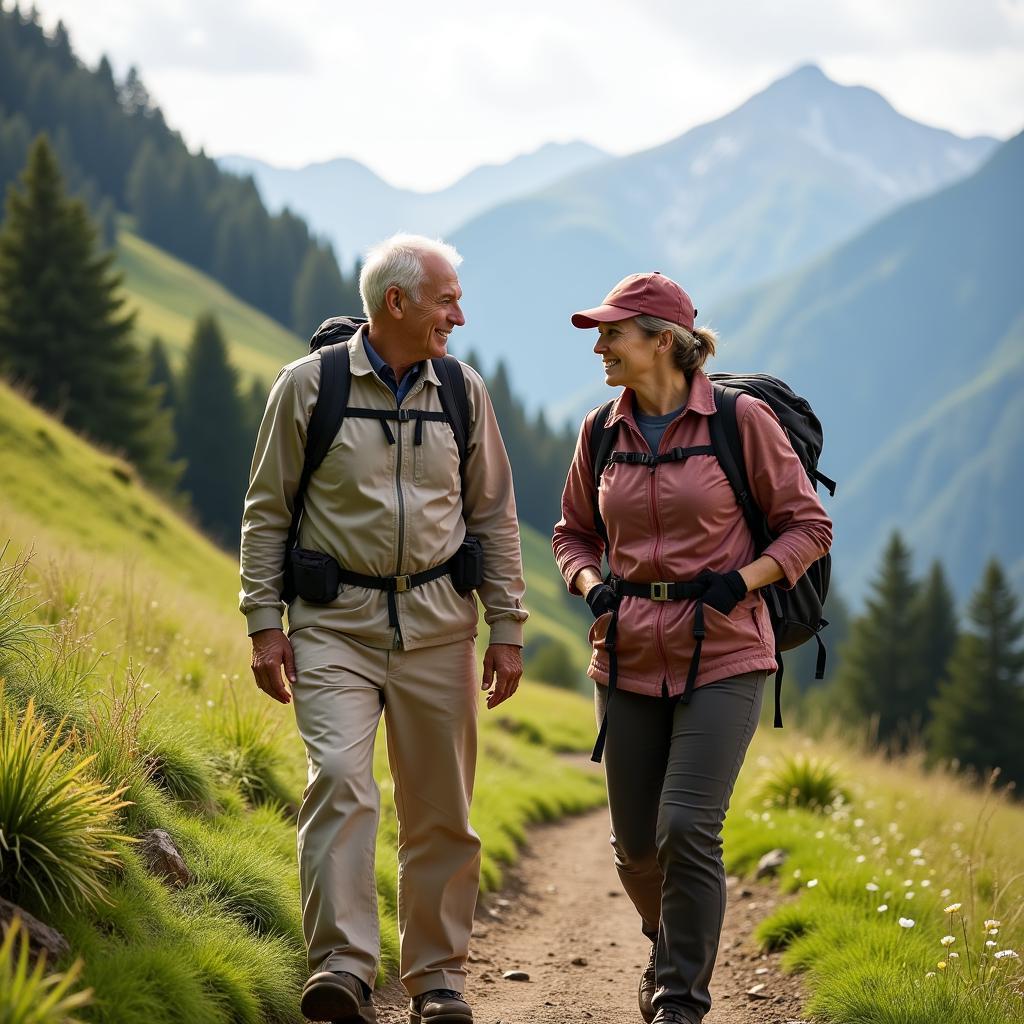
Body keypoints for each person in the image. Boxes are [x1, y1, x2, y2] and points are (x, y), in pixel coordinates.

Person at [240, 234, 527, 1024]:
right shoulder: (307, 388)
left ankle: (437, 978)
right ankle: (342, 966)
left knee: (441, 807)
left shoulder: (462, 393)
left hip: (440, 629)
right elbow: (266, 513)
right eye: (446, 300)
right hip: (334, 628)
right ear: (394, 303)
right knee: (338, 779)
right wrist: (266, 624)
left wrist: (507, 626)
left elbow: (494, 516)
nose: (458, 316)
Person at [551, 272, 832, 1024]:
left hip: (727, 648)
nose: (601, 346)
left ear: (664, 342)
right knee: (636, 849)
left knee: (687, 827)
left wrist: (743, 580)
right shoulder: (600, 431)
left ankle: (680, 997)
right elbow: (572, 532)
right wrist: (589, 584)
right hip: (628, 653)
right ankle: (664, 938)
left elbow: (808, 526)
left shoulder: (739, 423)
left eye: (614, 333)